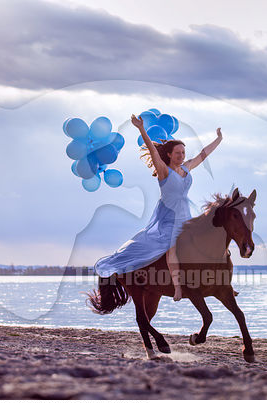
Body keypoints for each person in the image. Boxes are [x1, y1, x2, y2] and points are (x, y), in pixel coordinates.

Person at [94, 114, 223, 301]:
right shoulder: (164, 171)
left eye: (183, 152)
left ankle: (219, 284)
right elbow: (153, 152)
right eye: (178, 153)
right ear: (169, 154)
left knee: (205, 240)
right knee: (172, 249)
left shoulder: (186, 168)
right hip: (169, 217)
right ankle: (178, 289)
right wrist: (141, 129)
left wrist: (218, 139)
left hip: (186, 214)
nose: (182, 156)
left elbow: (203, 154)